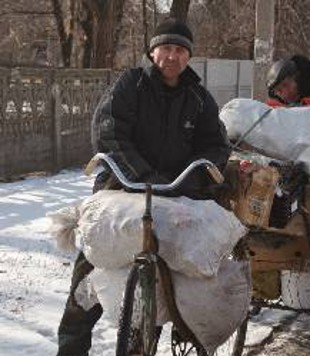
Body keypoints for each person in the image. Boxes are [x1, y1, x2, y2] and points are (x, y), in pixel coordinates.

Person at [57, 18, 231, 356]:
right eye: (165, 47)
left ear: (188, 56)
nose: (172, 55)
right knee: (92, 262)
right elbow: (109, 131)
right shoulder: (130, 84)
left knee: (169, 271)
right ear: (152, 52)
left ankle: (145, 340)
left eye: (180, 49)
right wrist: (142, 174)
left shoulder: (199, 98)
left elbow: (216, 146)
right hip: (121, 185)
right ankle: (72, 347)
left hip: (176, 192)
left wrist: (191, 178)